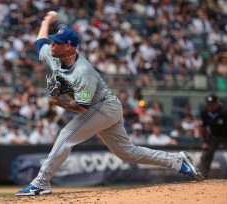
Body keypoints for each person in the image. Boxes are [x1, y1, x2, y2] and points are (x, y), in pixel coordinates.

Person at [15, 12, 203, 196]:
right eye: (53, 41)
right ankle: (177, 161)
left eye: (56, 42)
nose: (52, 44)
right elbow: (39, 42)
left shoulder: (83, 72)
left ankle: (40, 183)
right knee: (127, 152)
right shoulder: (53, 53)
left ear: (69, 47)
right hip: (106, 108)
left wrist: (58, 101)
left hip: (104, 106)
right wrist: (46, 21)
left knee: (66, 136)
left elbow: (82, 107)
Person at [199, 94, 227, 179]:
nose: (210, 106)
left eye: (212, 104)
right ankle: (201, 177)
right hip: (213, 136)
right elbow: (203, 128)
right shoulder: (204, 112)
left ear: (217, 103)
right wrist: (205, 142)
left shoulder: (225, 111)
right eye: (208, 104)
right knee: (205, 154)